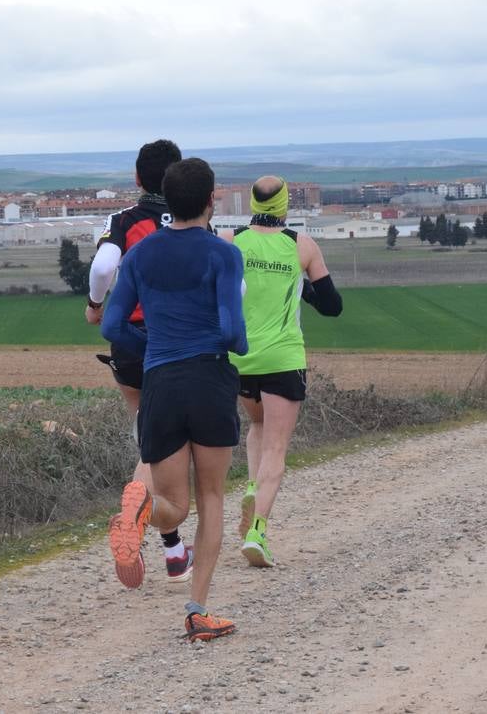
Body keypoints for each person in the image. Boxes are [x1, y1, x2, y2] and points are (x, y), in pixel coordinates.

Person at [102, 157, 247, 641]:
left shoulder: (140, 256)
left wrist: (155, 350)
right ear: (211, 200)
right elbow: (231, 329)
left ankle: (141, 508)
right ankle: (198, 610)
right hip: (208, 378)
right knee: (210, 499)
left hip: (160, 382)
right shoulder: (222, 254)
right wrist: (235, 348)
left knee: (173, 504)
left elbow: (110, 325)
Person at [84, 139, 194, 584]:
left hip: (130, 343)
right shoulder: (193, 221)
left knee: (148, 433)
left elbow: (103, 265)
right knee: (170, 448)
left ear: (136, 178)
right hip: (179, 342)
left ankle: (173, 548)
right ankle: (147, 522)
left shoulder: (124, 220)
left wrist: (94, 305)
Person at [225, 176, 342, 568]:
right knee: (276, 447)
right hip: (283, 359)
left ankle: (252, 485)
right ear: (285, 205)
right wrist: (300, 283)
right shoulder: (301, 246)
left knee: (256, 425)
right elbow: (332, 306)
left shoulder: (231, 239)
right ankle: (257, 530)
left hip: (240, 358)